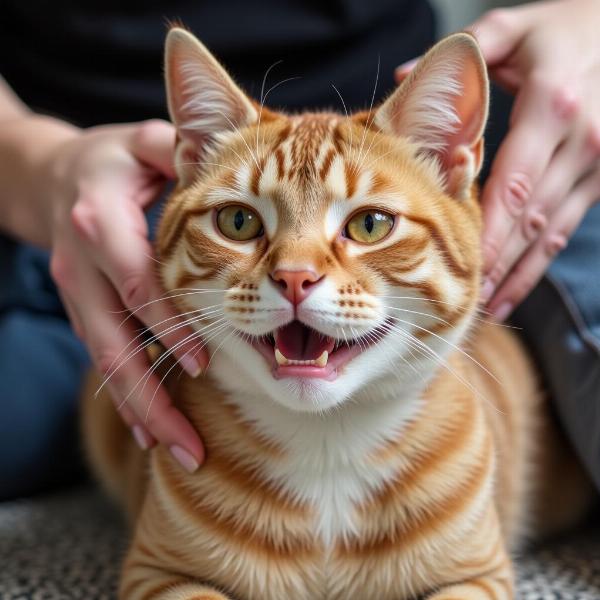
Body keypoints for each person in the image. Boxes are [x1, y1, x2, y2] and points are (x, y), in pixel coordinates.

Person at [0, 0, 599, 499]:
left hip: (438, 167)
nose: (296, 272)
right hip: (85, 204)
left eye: (366, 224)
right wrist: (39, 163)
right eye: (242, 221)